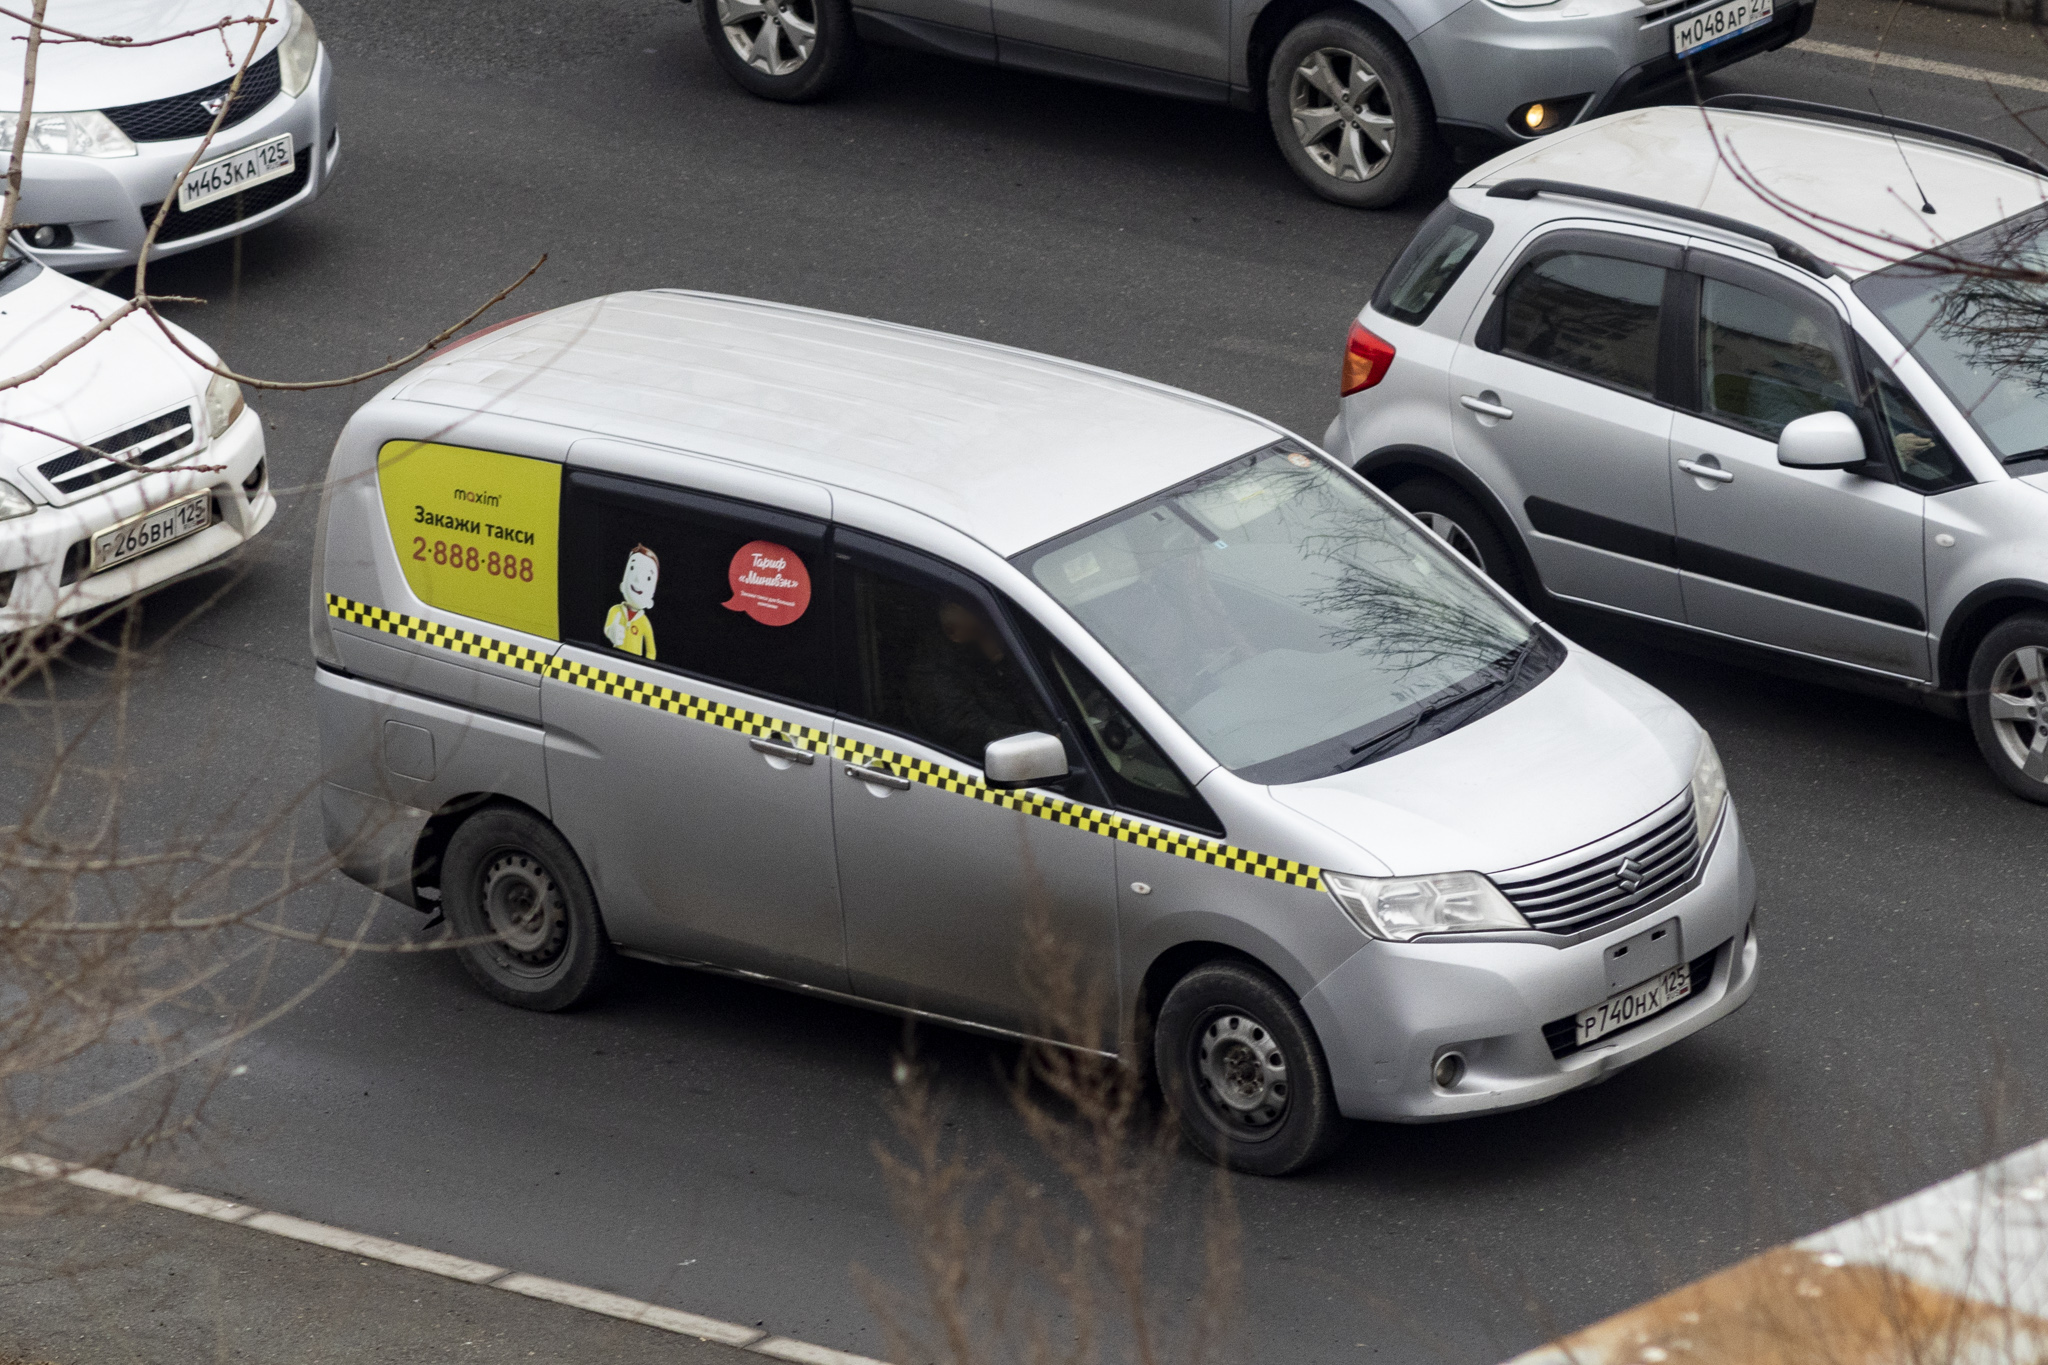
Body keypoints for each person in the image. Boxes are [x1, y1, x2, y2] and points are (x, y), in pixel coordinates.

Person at [901, 599, 1047, 760]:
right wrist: (1040, 740)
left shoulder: (978, 661)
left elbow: (1028, 700)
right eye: (979, 631)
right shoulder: (932, 673)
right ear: (953, 633)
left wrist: (1002, 664)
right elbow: (968, 728)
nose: (991, 636)